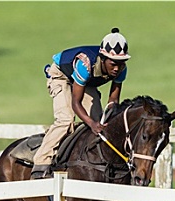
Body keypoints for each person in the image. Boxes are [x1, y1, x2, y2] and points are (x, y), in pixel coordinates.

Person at [31, 28, 131, 179]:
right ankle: (40, 164)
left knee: (100, 121)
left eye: (121, 63)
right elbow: (76, 103)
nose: (117, 68)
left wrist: (103, 121)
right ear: (103, 58)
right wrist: (91, 123)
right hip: (61, 76)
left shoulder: (122, 69)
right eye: (113, 63)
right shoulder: (85, 65)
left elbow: (113, 101)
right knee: (66, 120)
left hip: (85, 82)